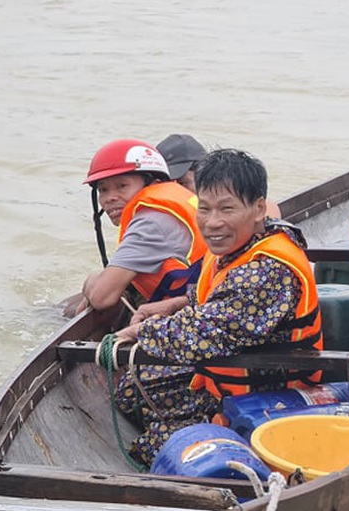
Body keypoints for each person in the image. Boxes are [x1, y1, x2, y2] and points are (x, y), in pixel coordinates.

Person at [113, 148, 323, 466]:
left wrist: (142, 331)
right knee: (130, 391)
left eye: (227, 209)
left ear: (259, 209)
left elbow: (205, 330)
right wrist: (171, 305)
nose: (213, 223)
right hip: (224, 375)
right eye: (205, 209)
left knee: (155, 445)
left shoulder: (268, 268)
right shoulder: (236, 246)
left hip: (268, 391)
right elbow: (211, 298)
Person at [75, 138, 206, 314]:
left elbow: (101, 298)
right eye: (103, 190)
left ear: (152, 183)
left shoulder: (151, 223)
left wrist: (92, 279)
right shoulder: (172, 202)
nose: (109, 198)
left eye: (122, 186)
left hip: (194, 311)